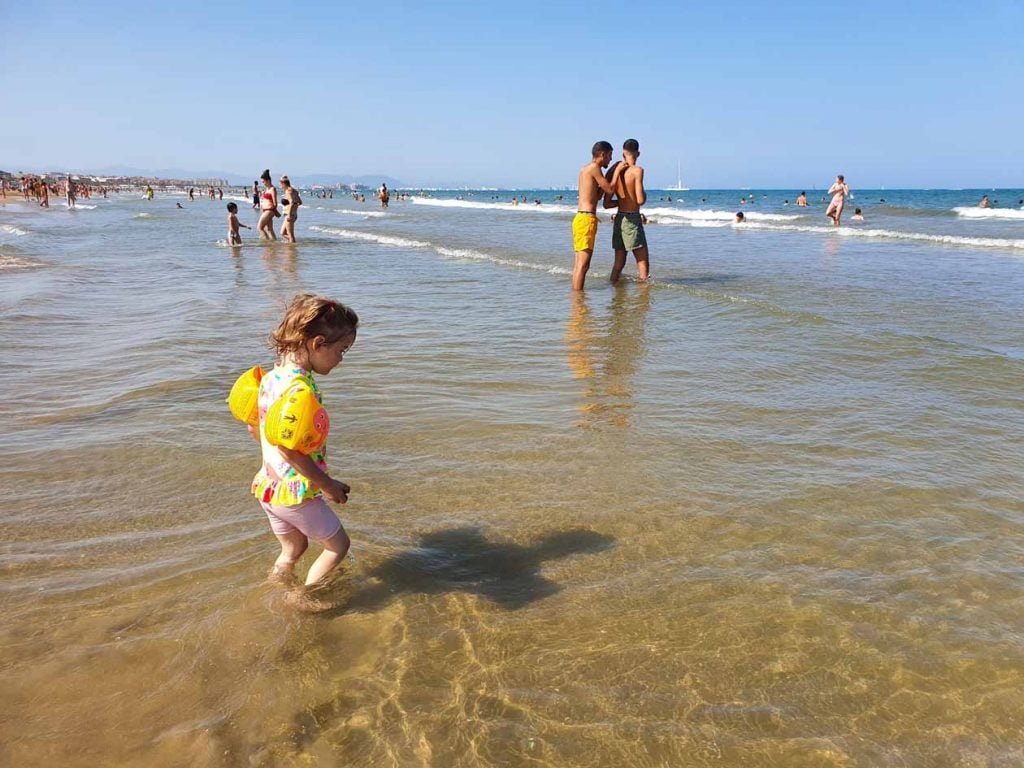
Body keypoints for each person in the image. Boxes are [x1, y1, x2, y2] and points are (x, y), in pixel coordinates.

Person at [248, 294, 358, 595]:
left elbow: (254, 427)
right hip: (295, 493)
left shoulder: (271, 379)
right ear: (318, 343)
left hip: (269, 488)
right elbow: (290, 449)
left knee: (293, 549)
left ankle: (276, 586)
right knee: (338, 546)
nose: (341, 359)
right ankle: (303, 599)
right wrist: (328, 485)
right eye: (341, 350)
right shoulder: (300, 388)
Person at [573, 140, 627, 291]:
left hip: (581, 218)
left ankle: (577, 297)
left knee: (580, 265)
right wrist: (616, 171)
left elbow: (596, 196)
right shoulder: (594, 168)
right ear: (602, 154)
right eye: (609, 156)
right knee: (583, 265)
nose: (610, 160)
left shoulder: (586, 169)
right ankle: (577, 300)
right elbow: (610, 190)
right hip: (586, 219)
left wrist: (609, 174)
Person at [604, 138, 650, 283]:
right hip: (632, 219)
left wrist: (622, 202)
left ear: (623, 152)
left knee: (618, 263)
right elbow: (640, 200)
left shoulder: (616, 170)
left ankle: (613, 289)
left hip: (619, 218)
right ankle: (643, 299)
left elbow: (606, 203)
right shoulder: (637, 171)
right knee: (642, 263)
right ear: (638, 153)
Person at [257, 169, 279, 240]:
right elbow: (266, 200)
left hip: (269, 211)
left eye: (263, 182)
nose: (263, 183)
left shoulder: (273, 189)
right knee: (269, 229)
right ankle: (273, 244)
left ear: (268, 180)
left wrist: (275, 212)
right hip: (266, 211)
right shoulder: (267, 189)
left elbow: (275, 203)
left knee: (259, 227)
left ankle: (267, 242)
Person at [279, 175, 302, 243]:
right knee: (282, 233)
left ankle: (292, 250)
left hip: (289, 215)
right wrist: (294, 207)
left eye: (281, 185)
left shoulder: (288, 191)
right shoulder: (294, 190)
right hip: (293, 214)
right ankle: (292, 247)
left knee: (290, 235)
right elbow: (300, 202)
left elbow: (292, 202)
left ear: (283, 183)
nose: (281, 187)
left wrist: (289, 214)